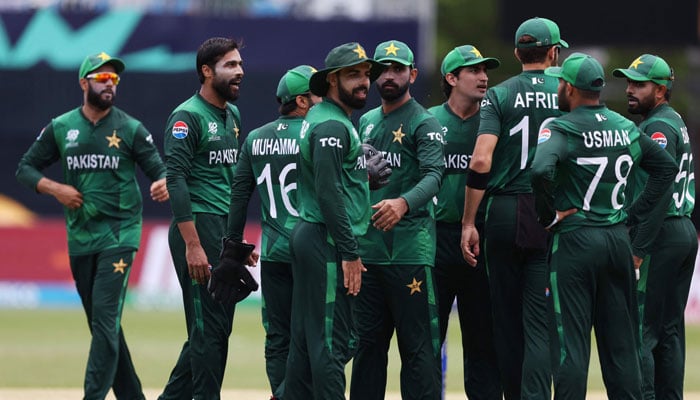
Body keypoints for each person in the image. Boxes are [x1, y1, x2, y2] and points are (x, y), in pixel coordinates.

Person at [16, 51, 168, 400]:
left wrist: (162, 182)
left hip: (120, 233)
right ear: (84, 83)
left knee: (104, 324)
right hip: (81, 236)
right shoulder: (62, 126)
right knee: (105, 326)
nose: (109, 85)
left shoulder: (130, 128)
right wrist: (55, 189)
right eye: (102, 79)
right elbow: (25, 169)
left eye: (114, 79)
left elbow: (160, 171)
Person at [531, 51, 678, 399]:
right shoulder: (624, 126)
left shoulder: (561, 126)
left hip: (575, 241)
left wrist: (548, 215)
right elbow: (665, 168)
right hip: (617, 242)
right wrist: (633, 213)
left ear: (568, 87)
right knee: (622, 348)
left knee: (571, 346)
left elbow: (539, 170)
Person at [460, 16, 566, 399]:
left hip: (503, 211)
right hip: (549, 213)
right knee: (539, 324)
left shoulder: (499, 95)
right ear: (554, 52)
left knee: (504, 321)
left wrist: (469, 221)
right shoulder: (567, 90)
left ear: (518, 53)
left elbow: (480, 161)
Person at [284, 42, 386, 400]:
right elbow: (328, 193)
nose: (363, 82)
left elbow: (334, 182)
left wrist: (361, 177)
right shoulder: (331, 125)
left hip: (315, 236)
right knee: (332, 343)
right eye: (352, 75)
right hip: (325, 240)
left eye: (365, 75)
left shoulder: (333, 120)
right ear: (331, 81)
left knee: (304, 343)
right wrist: (350, 251)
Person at [349, 39, 445, 400]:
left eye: (398, 69)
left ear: (412, 74)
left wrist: (403, 203)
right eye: (383, 70)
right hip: (369, 253)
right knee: (367, 349)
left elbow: (435, 175)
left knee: (418, 350)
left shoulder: (425, 122)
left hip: (410, 253)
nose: (389, 76)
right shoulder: (368, 121)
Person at [159, 37, 254, 400]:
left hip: (221, 232)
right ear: (206, 71)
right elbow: (176, 179)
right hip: (197, 227)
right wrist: (193, 244)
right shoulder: (187, 117)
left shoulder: (233, 116)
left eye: (240, 65)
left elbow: (229, 184)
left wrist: (235, 244)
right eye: (231, 65)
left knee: (214, 331)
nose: (240, 72)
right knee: (207, 331)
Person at [226, 64, 320, 399]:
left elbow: (239, 196)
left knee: (278, 336)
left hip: (275, 250)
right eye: (318, 93)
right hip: (313, 251)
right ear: (302, 101)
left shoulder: (255, 138)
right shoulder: (318, 133)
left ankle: (281, 392)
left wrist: (233, 247)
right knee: (319, 337)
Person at [613, 54, 697, 399]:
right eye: (630, 82)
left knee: (642, 330)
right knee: (670, 331)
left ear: (661, 90)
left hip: (660, 233)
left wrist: (638, 248)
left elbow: (659, 192)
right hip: (681, 231)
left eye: (640, 85)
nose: (631, 90)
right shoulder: (673, 119)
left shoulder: (657, 128)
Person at [428, 45, 502, 399]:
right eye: (473, 70)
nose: (483, 76)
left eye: (485, 70)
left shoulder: (494, 121)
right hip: (436, 238)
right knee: (427, 340)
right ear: (451, 78)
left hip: (481, 240)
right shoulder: (427, 121)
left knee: (483, 341)